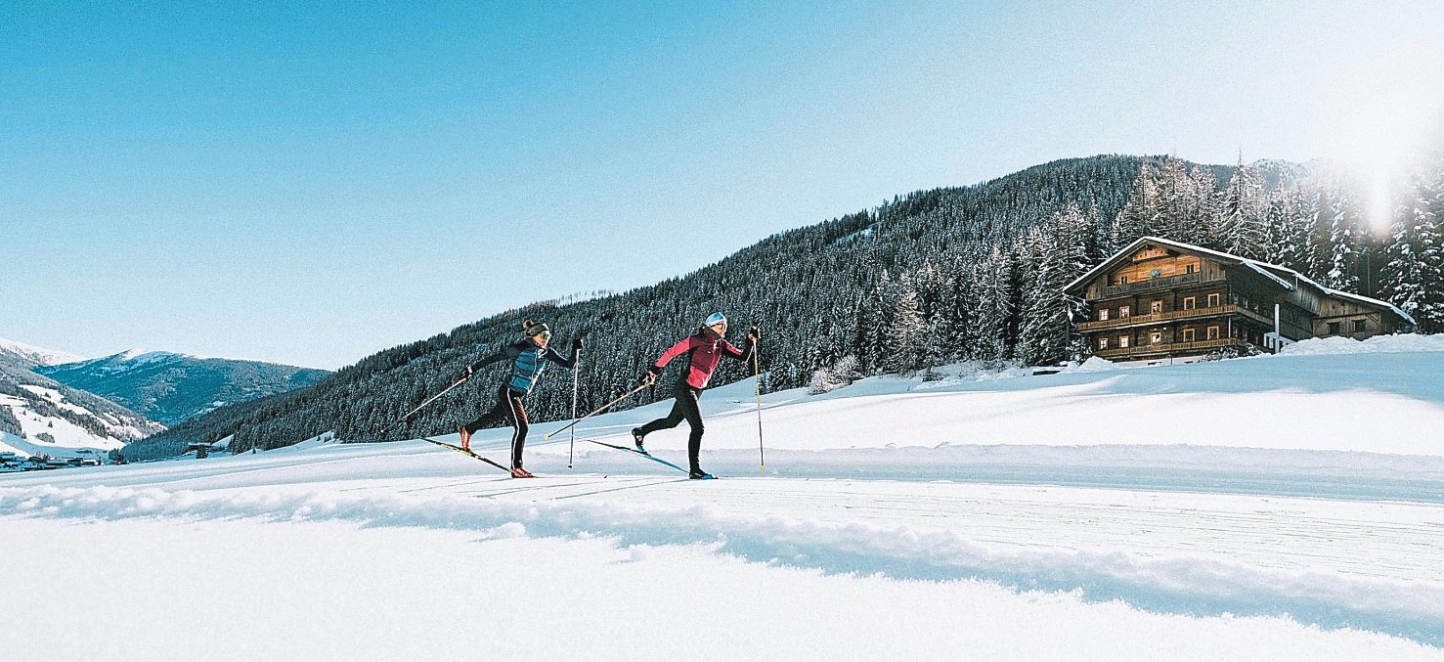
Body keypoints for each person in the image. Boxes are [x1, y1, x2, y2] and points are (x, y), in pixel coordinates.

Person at [632, 312, 757, 479]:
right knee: (698, 428)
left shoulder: (721, 344)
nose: (723, 328)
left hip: (697, 389)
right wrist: (654, 370)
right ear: (710, 326)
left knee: (672, 422)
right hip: (685, 387)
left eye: (724, 325)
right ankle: (695, 470)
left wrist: (750, 341)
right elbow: (671, 352)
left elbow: (743, 357)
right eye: (720, 325)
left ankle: (640, 432)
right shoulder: (698, 339)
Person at [459, 319, 581, 478]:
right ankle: (517, 467)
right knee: (522, 427)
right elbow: (493, 358)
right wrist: (471, 369)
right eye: (543, 335)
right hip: (509, 391)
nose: (546, 338)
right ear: (534, 336)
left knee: (495, 416)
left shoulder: (547, 352)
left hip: (519, 394)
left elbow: (569, 365)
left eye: (548, 335)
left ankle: (468, 429)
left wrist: (575, 349)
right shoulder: (520, 349)